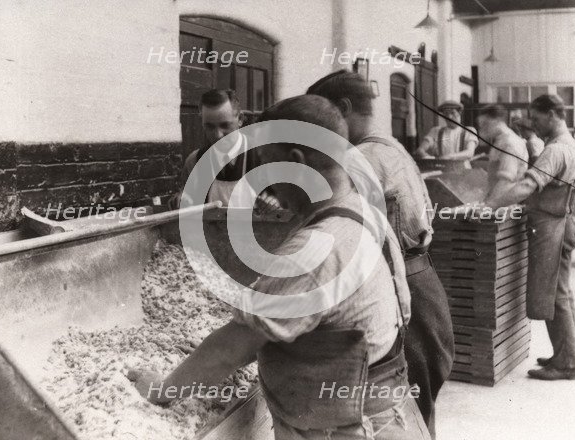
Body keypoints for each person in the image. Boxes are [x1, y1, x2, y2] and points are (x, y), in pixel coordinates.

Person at [129, 95, 430, 439]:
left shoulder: (316, 250)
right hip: (388, 409)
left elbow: (231, 349)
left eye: (270, 167)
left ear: (296, 162)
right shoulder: (365, 212)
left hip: (346, 429)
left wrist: (162, 389)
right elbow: (398, 309)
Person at [307, 70, 453, 439]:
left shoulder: (362, 158)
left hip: (403, 285)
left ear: (344, 108)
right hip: (421, 279)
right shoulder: (390, 145)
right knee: (415, 411)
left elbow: (336, 225)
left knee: (402, 411)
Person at [484, 94, 575, 381]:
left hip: (553, 226)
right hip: (563, 223)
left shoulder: (556, 150)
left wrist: (491, 206)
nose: (535, 125)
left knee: (556, 296)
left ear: (552, 114)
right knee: (560, 293)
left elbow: (528, 184)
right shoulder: (569, 145)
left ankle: (567, 363)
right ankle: (565, 355)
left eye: (538, 118)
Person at [169, 89, 278, 209]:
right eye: (209, 126)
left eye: (225, 125)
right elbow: (186, 200)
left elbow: (289, 205)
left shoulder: (264, 155)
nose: (218, 135)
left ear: (240, 119)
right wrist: (181, 200)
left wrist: (276, 202)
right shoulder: (195, 162)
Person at [477, 104, 529, 199]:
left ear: (496, 121)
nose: (482, 129)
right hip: (499, 200)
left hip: (506, 201)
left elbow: (506, 181)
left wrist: (487, 204)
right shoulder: (500, 141)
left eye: (485, 124)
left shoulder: (509, 143)